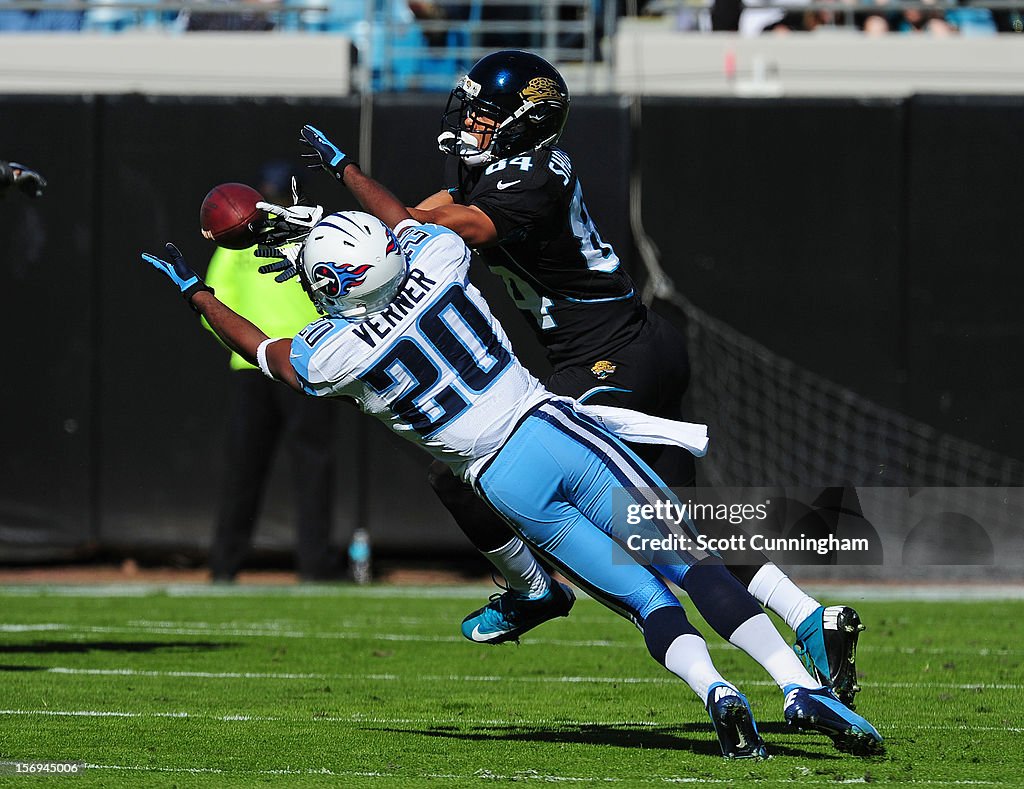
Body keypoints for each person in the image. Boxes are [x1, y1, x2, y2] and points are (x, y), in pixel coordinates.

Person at [141, 123, 883, 759]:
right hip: (546, 428)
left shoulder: (332, 353)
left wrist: (196, 294)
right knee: (684, 555)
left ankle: (715, 689)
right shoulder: (435, 262)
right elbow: (403, 222)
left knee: (640, 597)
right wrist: (347, 171)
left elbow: (265, 345)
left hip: (500, 483)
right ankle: (793, 684)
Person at [398, 49, 866, 710]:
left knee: (479, 472)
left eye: (485, 114)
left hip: (605, 360)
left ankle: (535, 590)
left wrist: (375, 234)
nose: (471, 123)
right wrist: (349, 230)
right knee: (686, 521)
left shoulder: (530, 174)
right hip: (632, 346)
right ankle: (807, 615)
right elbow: (422, 215)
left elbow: (460, 225)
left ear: (525, 122)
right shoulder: (504, 171)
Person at [202, 164, 340, 583]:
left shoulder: (313, 236)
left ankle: (312, 567)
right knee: (248, 468)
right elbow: (212, 304)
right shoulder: (235, 240)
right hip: (263, 364)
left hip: (303, 365)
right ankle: (226, 566)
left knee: (306, 469)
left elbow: (210, 303)